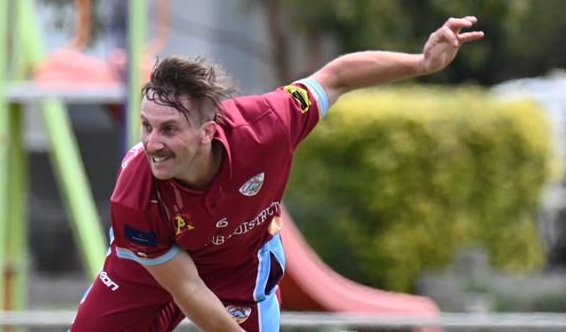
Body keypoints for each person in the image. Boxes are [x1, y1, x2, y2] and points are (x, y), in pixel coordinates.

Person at [70, 16, 484, 331]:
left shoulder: (269, 124)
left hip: (242, 266)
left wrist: (422, 62)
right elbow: (188, 289)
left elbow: (336, 77)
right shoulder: (135, 195)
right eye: (147, 126)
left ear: (208, 132)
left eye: (169, 129)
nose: (152, 143)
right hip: (150, 269)